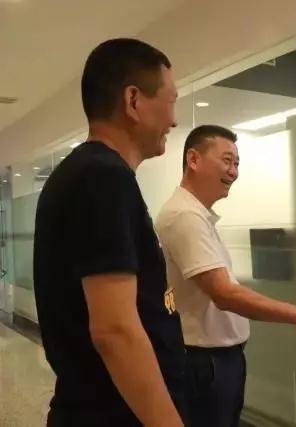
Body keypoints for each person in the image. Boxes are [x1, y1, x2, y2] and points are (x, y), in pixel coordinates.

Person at [33, 39, 186, 426]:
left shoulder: (92, 174)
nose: (174, 119)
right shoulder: (102, 177)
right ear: (133, 101)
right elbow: (115, 331)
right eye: (171, 100)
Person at [155, 124, 296, 427]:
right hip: (204, 364)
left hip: (215, 361)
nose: (234, 172)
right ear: (193, 159)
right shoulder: (185, 216)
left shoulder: (196, 216)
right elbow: (225, 294)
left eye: (237, 163)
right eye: (227, 161)